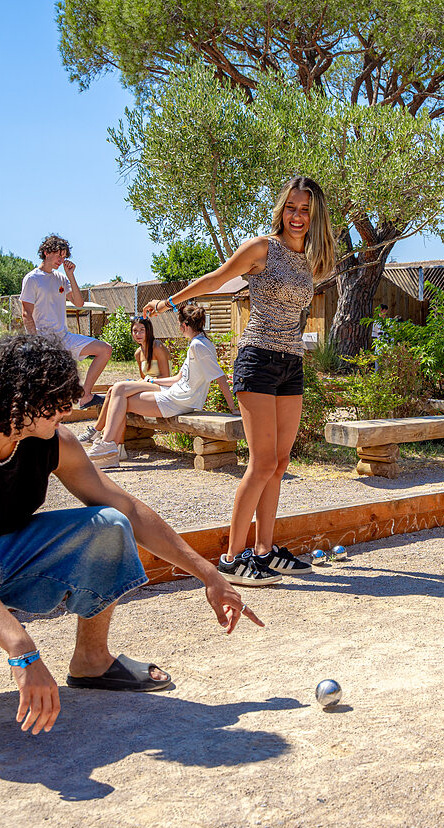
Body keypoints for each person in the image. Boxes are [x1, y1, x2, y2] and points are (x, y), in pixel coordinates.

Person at [0, 334, 264, 737]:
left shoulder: (53, 441)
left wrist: (210, 575)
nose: (72, 406)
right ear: (20, 399)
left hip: (4, 552)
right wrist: (22, 651)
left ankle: (92, 660)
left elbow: (126, 507)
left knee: (109, 525)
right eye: (57, 398)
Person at [144, 176, 336, 580]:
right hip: (258, 360)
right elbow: (216, 279)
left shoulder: (310, 260)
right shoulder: (262, 248)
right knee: (261, 462)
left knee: (280, 462)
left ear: (314, 214)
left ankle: (264, 550)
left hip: (291, 362)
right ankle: (233, 558)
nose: (297, 216)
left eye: (305, 209)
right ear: (281, 209)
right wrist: (171, 301)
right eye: (291, 208)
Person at [85, 304, 242, 480]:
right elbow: (178, 378)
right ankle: (110, 450)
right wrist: (151, 380)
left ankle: (108, 446)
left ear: (184, 325)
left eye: (179, 324)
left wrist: (232, 407)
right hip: (176, 393)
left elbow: (220, 376)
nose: (179, 328)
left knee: (120, 396)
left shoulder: (199, 346)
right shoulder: (198, 343)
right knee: (119, 393)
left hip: (179, 400)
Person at [20, 234, 111, 409]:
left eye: (64, 256)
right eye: (58, 255)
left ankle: (85, 396)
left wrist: (70, 276)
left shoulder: (61, 278)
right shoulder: (32, 278)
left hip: (64, 337)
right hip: (44, 340)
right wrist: (35, 343)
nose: (61, 260)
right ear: (46, 252)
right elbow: (26, 314)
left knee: (105, 350)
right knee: (48, 391)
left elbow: (79, 303)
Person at [77, 315, 173, 446]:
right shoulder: (138, 353)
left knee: (117, 392)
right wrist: (136, 382)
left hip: (163, 387)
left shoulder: (157, 346)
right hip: (149, 387)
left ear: (149, 331)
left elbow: (167, 377)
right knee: (114, 392)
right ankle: (113, 443)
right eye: (135, 331)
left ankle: (96, 433)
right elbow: (143, 377)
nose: (138, 334)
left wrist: (143, 383)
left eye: (142, 330)